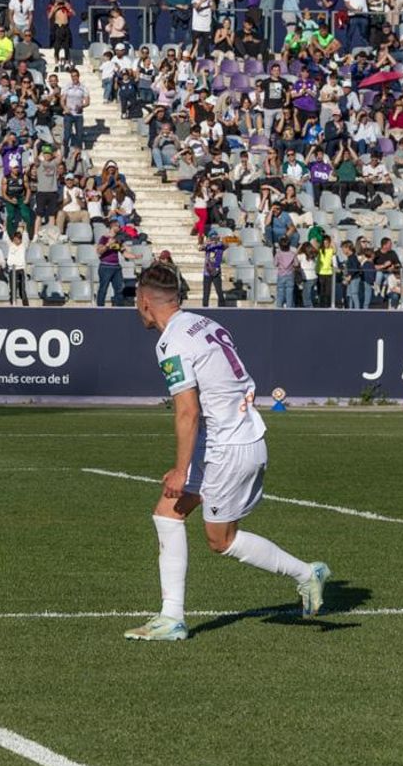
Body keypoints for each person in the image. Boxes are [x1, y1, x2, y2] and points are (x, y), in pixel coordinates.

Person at [124, 262, 330, 642]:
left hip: (228, 446)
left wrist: (181, 470)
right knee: (167, 513)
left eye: (135, 299)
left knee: (221, 540)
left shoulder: (171, 342)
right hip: (230, 436)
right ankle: (171, 618)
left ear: (144, 301)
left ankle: (306, 573)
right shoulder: (204, 323)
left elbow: (187, 411)